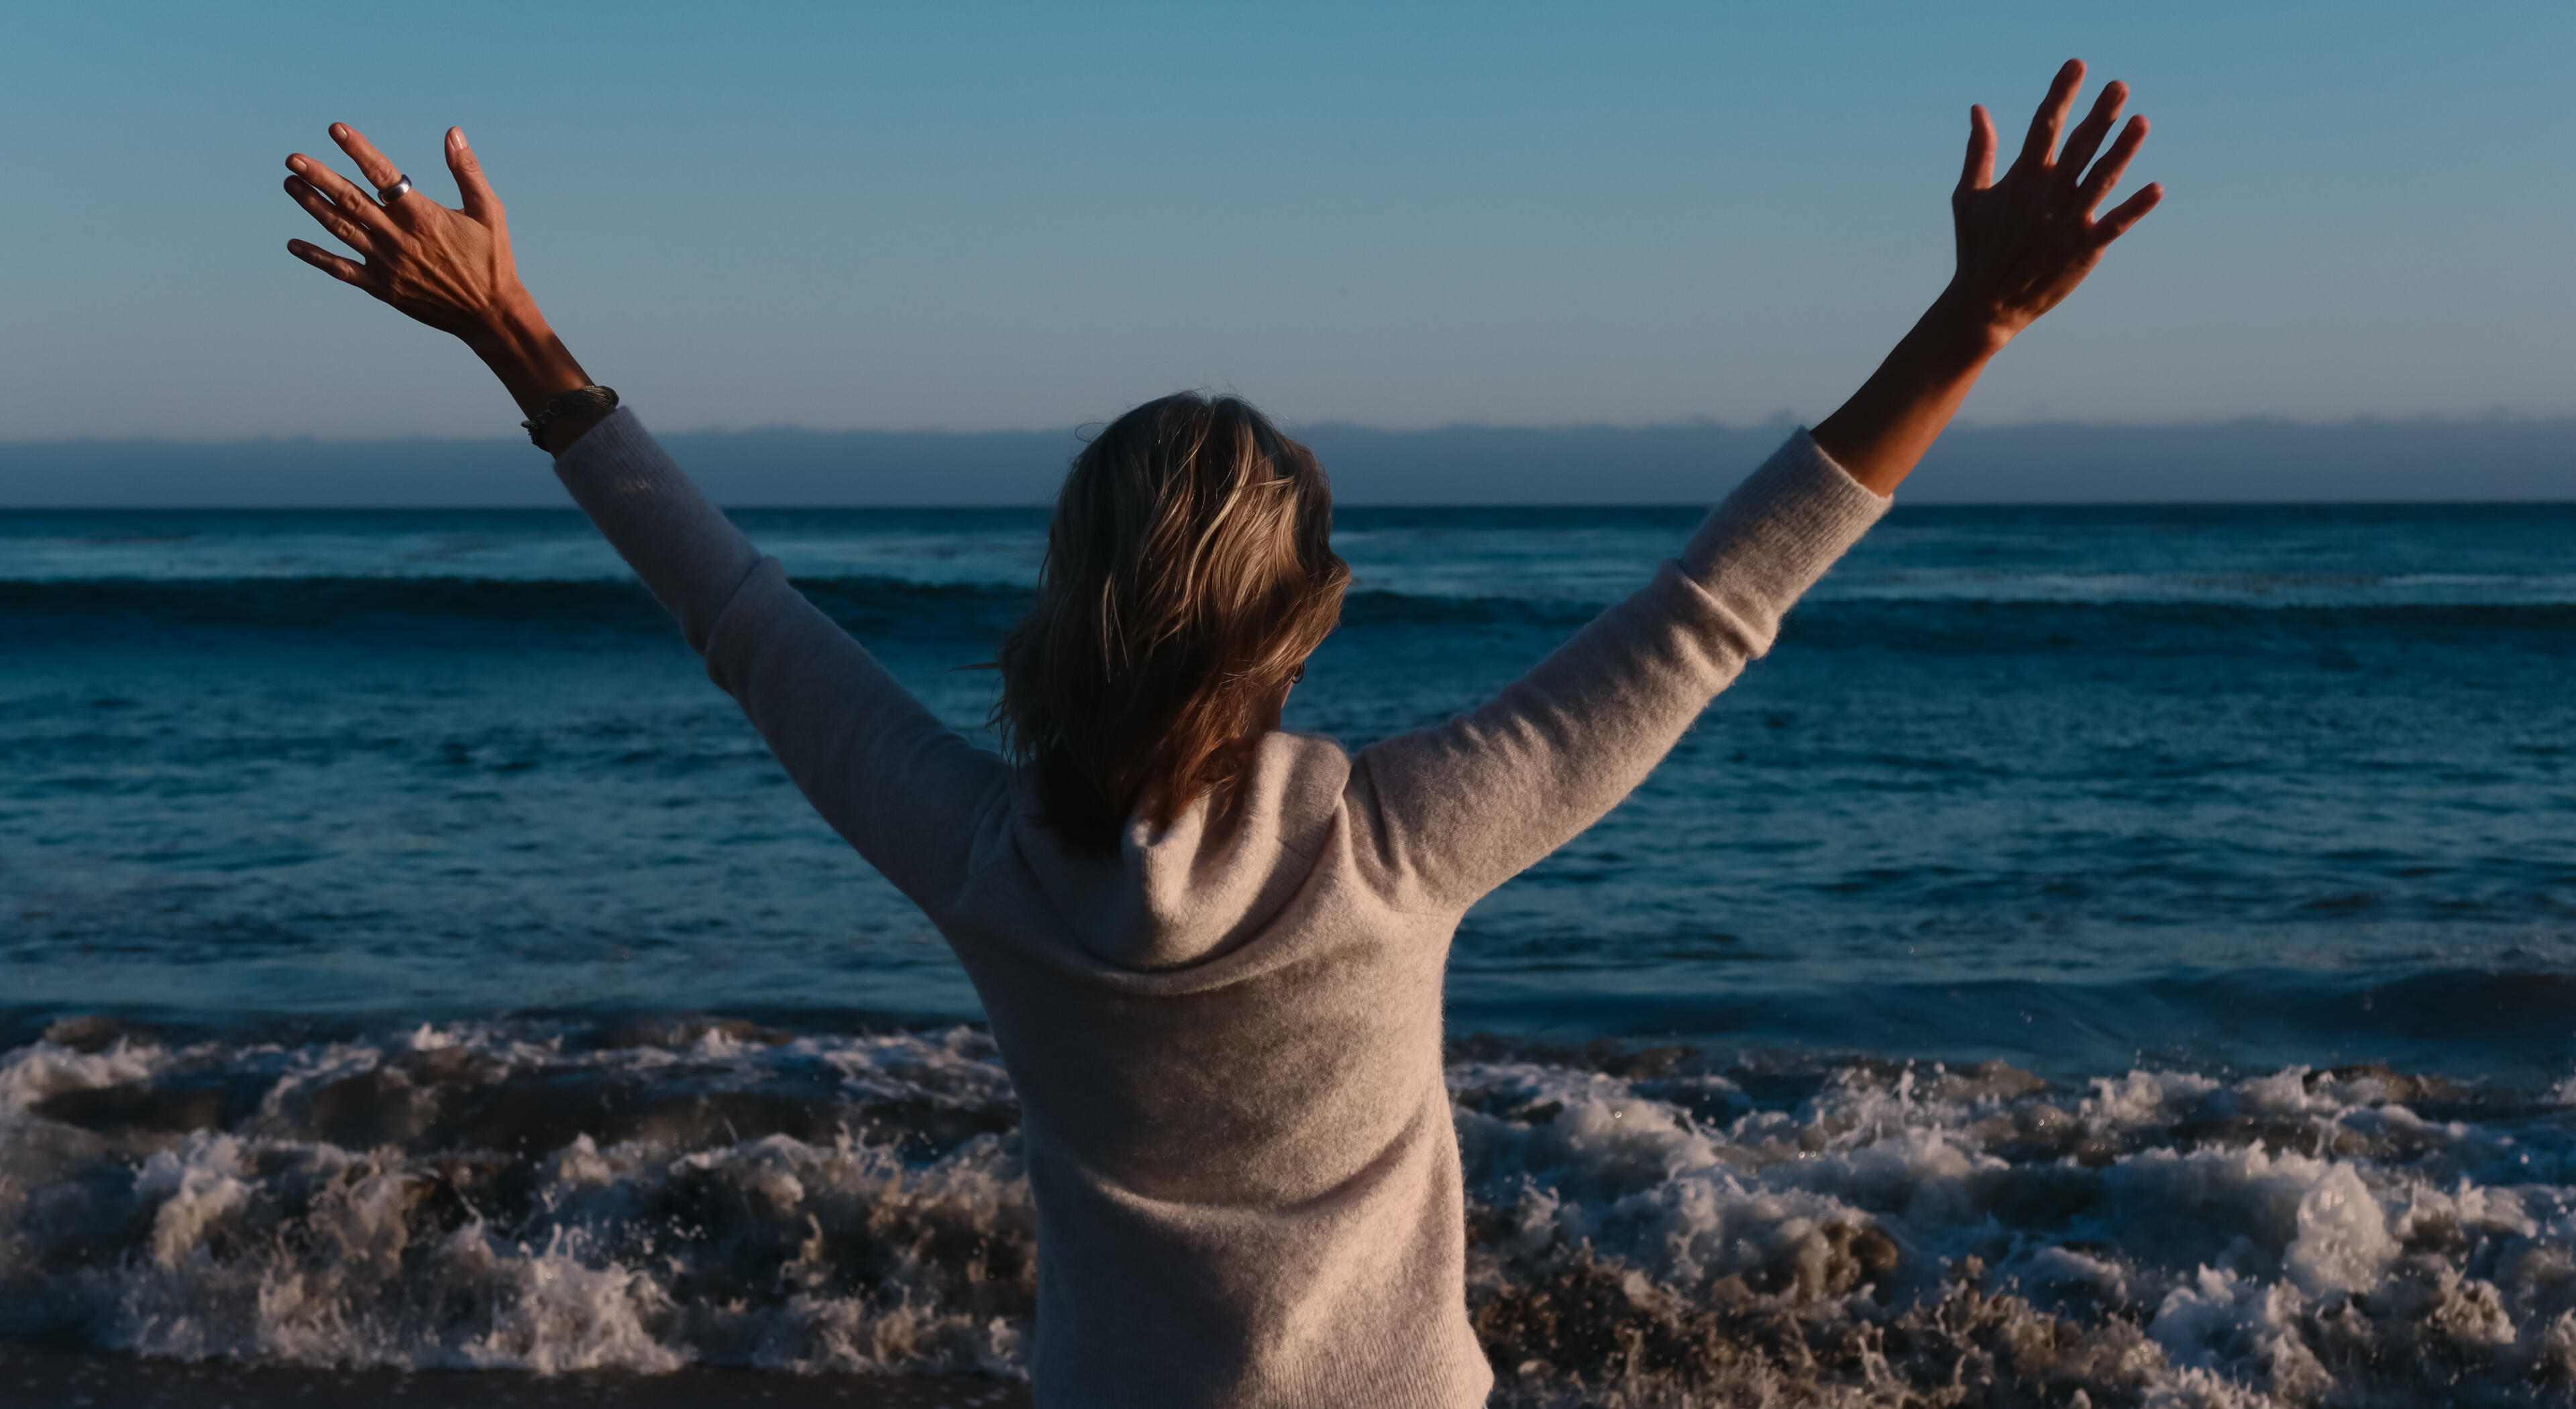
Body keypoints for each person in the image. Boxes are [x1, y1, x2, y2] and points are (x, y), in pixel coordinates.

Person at [276, 59, 2157, 1408]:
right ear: (1303, 618)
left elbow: (736, 610)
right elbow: (1716, 610)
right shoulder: (1401, 841)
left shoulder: (977, 853)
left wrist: (517, 334)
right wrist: (1972, 322)